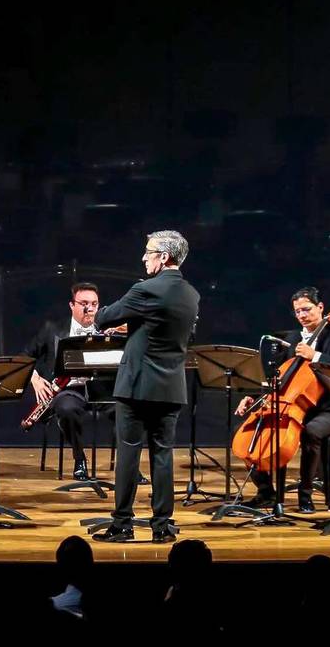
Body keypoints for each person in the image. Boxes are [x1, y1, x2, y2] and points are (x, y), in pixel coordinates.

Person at [92, 230, 199, 544]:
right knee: (162, 457)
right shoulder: (192, 294)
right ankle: (162, 526)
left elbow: (103, 318)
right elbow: (177, 333)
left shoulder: (145, 290)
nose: (143, 257)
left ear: (163, 257)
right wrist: (138, 324)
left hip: (137, 386)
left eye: (148, 252)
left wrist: (116, 319)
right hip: (171, 387)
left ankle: (122, 524)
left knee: (128, 455)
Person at [233, 286, 330, 512]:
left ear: (320, 308)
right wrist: (255, 399)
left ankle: (305, 494)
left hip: (329, 407)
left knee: (311, 432)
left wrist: (317, 356)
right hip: (293, 405)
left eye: (306, 309)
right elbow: (278, 378)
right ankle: (266, 492)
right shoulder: (293, 338)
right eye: (297, 311)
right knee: (252, 428)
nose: (302, 315)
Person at [23, 282, 113, 481]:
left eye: (94, 304)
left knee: (129, 409)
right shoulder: (53, 329)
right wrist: (36, 380)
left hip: (101, 389)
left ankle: (130, 466)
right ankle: (79, 459)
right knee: (66, 409)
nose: (89, 308)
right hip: (68, 390)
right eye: (83, 303)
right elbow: (25, 358)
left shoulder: (107, 330)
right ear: (72, 305)